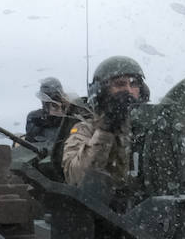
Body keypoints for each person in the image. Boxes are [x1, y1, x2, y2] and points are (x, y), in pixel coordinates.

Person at [62, 55, 150, 187]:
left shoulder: (150, 127)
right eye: (120, 84)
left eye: (134, 84)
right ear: (101, 92)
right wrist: (106, 129)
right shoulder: (86, 129)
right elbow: (76, 178)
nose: (128, 90)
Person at [24, 77, 77, 150]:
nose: (52, 105)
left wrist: (65, 112)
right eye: (47, 102)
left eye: (57, 98)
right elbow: (29, 145)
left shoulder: (72, 116)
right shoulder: (35, 119)